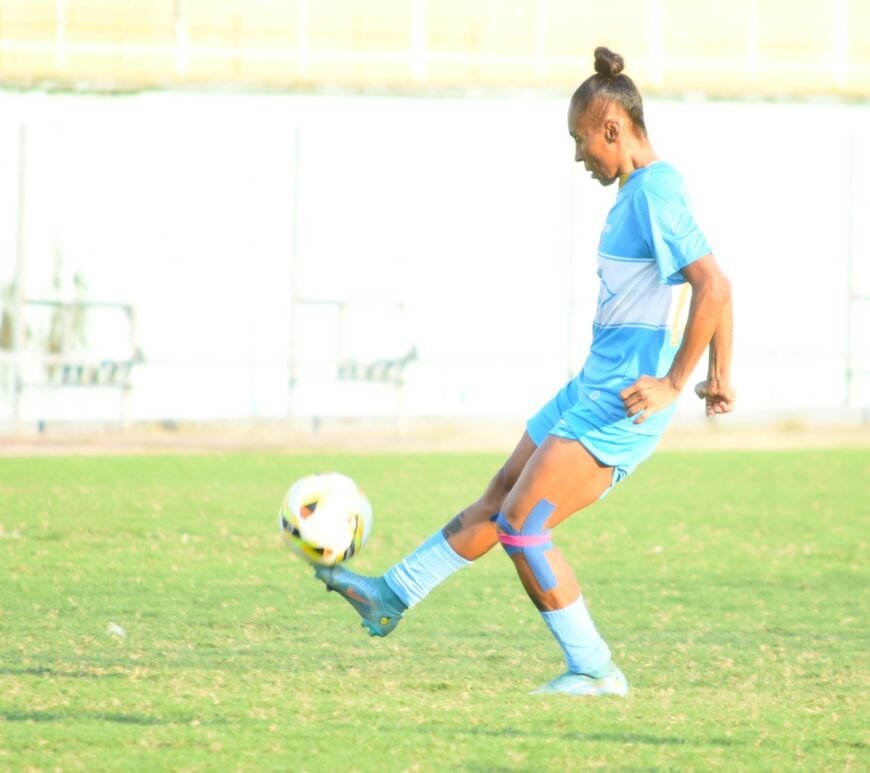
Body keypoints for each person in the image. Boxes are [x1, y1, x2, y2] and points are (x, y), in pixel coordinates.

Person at [313, 46, 735, 697]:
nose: (578, 156)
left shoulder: (656, 193)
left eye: (579, 140)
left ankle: (595, 670)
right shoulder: (638, 194)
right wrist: (719, 375)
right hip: (591, 387)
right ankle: (389, 595)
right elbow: (714, 289)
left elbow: (715, 285)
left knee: (522, 524)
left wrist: (678, 383)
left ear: (612, 129)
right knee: (501, 494)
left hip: (620, 405)